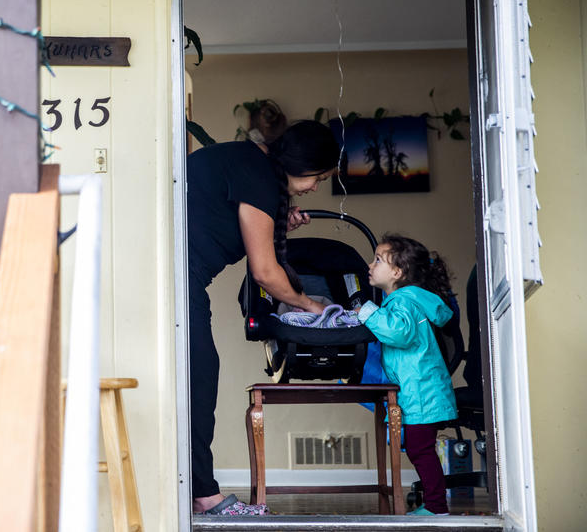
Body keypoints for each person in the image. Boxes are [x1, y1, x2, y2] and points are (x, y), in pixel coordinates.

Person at [187, 120, 340, 515]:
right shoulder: (257, 174)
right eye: (318, 178)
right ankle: (203, 494)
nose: (314, 187)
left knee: (198, 376)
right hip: (177, 278)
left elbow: (225, 219)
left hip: (177, 278)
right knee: (199, 378)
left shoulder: (249, 166)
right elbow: (266, 273)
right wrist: (310, 305)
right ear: (302, 164)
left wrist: (277, 217)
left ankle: (196, 489)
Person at [355, 234, 458, 516]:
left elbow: (399, 333)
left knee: (419, 450)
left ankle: (437, 508)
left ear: (397, 272)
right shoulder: (408, 299)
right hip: (421, 390)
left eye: (378, 260)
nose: (370, 264)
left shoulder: (403, 301)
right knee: (418, 448)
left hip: (420, 392)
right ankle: (436, 505)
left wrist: (366, 311)